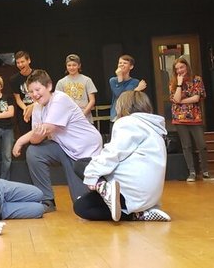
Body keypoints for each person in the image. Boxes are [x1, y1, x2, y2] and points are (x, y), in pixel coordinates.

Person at [12, 70, 102, 213]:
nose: (34, 94)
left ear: (49, 86)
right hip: (64, 148)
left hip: (84, 150)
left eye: (37, 89)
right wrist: (26, 139)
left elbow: (45, 130)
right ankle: (47, 200)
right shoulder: (36, 107)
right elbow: (37, 136)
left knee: (83, 204)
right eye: (31, 91)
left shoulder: (60, 99)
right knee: (34, 152)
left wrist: (25, 140)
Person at [73, 91, 172, 222]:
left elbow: (112, 154)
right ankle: (140, 214)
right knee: (85, 201)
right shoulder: (154, 129)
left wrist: (92, 177)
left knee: (81, 166)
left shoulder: (128, 123)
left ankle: (105, 190)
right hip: (149, 198)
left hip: (130, 192)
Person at [169, 57, 214, 182]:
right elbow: (175, 99)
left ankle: (205, 172)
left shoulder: (197, 79)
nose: (180, 70)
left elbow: (196, 98)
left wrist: (180, 101)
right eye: (177, 69)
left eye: (182, 67)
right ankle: (191, 172)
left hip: (195, 117)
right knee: (186, 146)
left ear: (187, 67)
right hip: (179, 118)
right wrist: (179, 84)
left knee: (202, 145)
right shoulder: (173, 82)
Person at [55, 54, 97, 124]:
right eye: (69, 65)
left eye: (74, 65)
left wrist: (82, 115)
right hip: (68, 119)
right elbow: (58, 102)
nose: (71, 67)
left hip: (85, 118)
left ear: (79, 65)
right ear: (66, 66)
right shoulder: (61, 82)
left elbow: (92, 100)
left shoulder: (87, 80)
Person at [109, 55, 147, 126]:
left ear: (131, 67)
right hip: (116, 116)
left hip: (130, 115)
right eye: (120, 63)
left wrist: (134, 90)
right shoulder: (113, 80)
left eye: (125, 63)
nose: (121, 65)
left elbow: (127, 96)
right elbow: (119, 95)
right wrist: (136, 89)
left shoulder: (134, 82)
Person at [9, 51, 35, 136]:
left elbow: (45, 95)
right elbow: (18, 99)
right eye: (18, 63)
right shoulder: (14, 79)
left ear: (29, 61)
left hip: (38, 108)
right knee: (26, 136)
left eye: (22, 62)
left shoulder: (38, 75)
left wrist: (33, 107)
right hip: (24, 111)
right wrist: (26, 109)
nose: (20, 65)